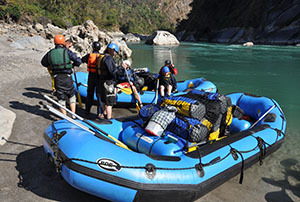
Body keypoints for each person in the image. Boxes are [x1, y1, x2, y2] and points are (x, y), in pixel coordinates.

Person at [41, 34, 82, 116]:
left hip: (57, 78)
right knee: (71, 95)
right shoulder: (67, 51)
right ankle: (73, 115)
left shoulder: (50, 53)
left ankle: (65, 116)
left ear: (55, 43)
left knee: (61, 98)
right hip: (67, 77)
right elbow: (78, 61)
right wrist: (73, 64)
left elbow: (43, 63)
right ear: (63, 42)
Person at [81, 41, 104, 119]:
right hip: (99, 77)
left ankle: (87, 111)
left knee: (89, 94)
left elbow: (82, 60)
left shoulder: (89, 55)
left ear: (93, 47)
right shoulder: (101, 56)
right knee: (99, 95)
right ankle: (100, 113)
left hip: (91, 76)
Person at [98, 42, 119, 120]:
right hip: (108, 82)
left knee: (104, 100)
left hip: (102, 81)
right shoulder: (109, 58)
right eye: (115, 52)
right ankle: (109, 118)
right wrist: (119, 69)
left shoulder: (103, 57)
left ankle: (104, 114)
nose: (116, 54)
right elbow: (112, 71)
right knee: (109, 102)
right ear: (112, 50)